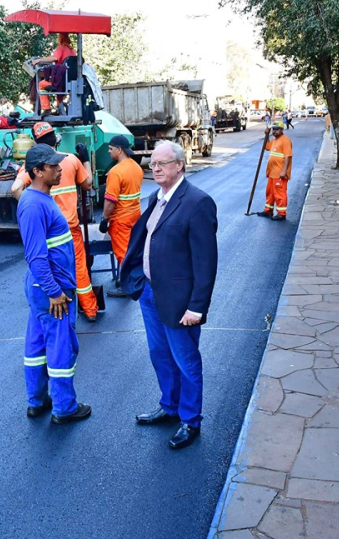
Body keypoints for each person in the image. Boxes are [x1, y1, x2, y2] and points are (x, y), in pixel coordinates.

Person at [119, 140, 218, 450]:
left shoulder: (198, 202)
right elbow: (141, 240)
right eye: (153, 164)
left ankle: (190, 420)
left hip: (180, 302)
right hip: (151, 293)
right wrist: (136, 278)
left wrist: (197, 307)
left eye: (163, 163)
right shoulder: (155, 197)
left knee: (186, 360)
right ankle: (170, 405)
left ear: (180, 165)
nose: (156, 168)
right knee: (159, 354)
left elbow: (206, 262)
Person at [17, 143, 92, 424]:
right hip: (52, 289)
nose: (60, 169)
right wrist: (56, 292)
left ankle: (37, 401)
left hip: (42, 288)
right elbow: (36, 257)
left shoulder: (38, 199)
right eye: (54, 166)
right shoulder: (35, 205)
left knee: (37, 344)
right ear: (37, 171)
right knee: (61, 346)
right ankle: (64, 407)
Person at [11, 122, 99, 322]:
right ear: (55, 138)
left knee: (49, 266)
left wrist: (31, 207)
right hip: (69, 228)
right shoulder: (71, 160)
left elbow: (16, 189)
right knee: (79, 268)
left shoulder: (33, 166)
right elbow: (87, 184)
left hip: (48, 229)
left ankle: (59, 305)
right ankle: (90, 310)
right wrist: (86, 161)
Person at [99, 135, 143, 298]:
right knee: (133, 251)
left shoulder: (116, 172)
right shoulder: (136, 167)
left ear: (119, 149)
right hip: (135, 216)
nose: (109, 152)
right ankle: (131, 280)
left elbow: (110, 200)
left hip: (120, 220)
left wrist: (104, 219)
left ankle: (128, 286)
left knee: (123, 254)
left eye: (110, 149)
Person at [255, 120, 293, 221]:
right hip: (272, 172)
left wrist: (284, 171)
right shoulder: (275, 140)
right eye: (273, 129)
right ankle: (268, 211)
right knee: (270, 192)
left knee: (280, 193)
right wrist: (266, 135)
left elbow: (288, 156)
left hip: (280, 173)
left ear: (281, 129)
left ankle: (281, 213)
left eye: (276, 129)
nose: (274, 131)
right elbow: (266, 147)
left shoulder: (285, 141)